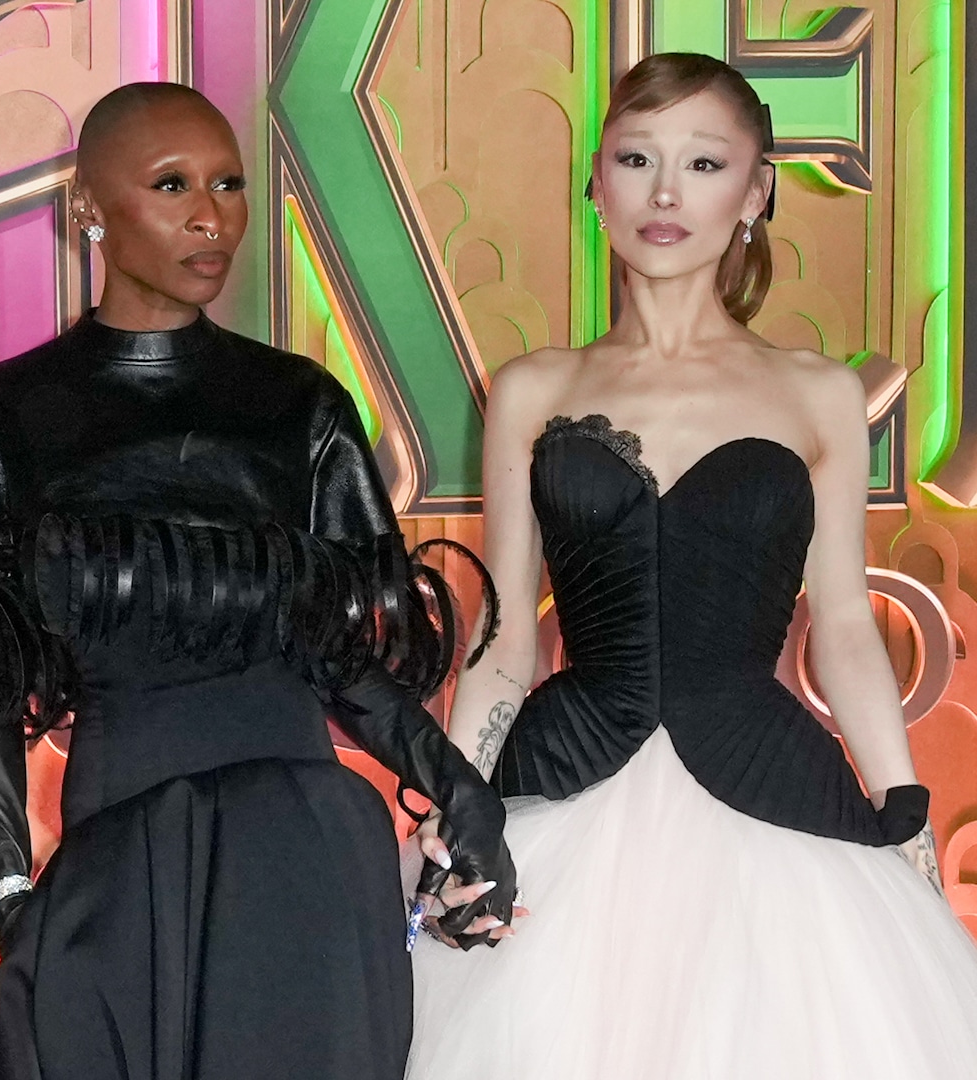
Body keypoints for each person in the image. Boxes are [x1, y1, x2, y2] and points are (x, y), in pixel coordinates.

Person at [0, 82, 514, 1080]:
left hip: (304, 861)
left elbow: (346, 665)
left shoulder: (298, 406)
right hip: (122, 856)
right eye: (171, 184)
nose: (210, 215)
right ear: (90, 208)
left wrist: (463, 793)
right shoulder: (11, 415)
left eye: (228, 185)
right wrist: (10, 894)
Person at [403, 52, 977, 1079]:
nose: (666, 194)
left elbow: (846, 627)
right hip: (562, 784)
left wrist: (907, 820)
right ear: (596, 182)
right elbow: (505, 638)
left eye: (704, 164)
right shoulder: (532, 390)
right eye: (638, 159)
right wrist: (459, 807)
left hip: (773, 796)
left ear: (755, 191)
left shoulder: (818, 393)